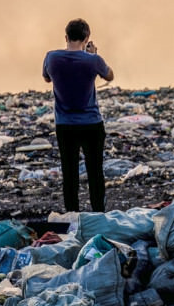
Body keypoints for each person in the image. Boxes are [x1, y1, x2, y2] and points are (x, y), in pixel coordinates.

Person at [42, 18, 114, 213]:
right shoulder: (93, 60)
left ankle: (72, 214)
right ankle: (98, 213)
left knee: (70, 172)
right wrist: (92, 55)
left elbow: (47, 77)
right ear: (86, 38)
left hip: (65, 124)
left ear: (66, 37)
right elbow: (110, 76)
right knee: (95, 171)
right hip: (91, 123)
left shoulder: (51, 57)